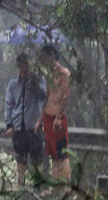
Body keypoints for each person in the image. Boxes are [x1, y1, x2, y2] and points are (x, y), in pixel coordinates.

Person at [4, 52, 47, 187]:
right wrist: (9, 125)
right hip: (18, 126)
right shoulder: (13, 84)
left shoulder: (39, 80)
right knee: (20, 158)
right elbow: (9, 104)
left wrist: (33, 83)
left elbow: (43, 97)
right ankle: (20, 185)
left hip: (34, 125)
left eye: (27, 65)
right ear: (18, 66)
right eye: (22, 65)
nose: (25, 68)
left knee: (36, 158)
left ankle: (37, 187)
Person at [39, 44, 72, 181]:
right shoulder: (48, 75)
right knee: (52, 153)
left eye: (44, 57)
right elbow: (48, 96)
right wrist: (40, 120)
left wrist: (58, 117)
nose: (42, 60)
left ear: (51, 57)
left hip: (57, 118)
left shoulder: (64, 73)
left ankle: (66, 185)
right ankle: (56, 184)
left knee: (61, 153)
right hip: (48, 116)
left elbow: (65, 96)